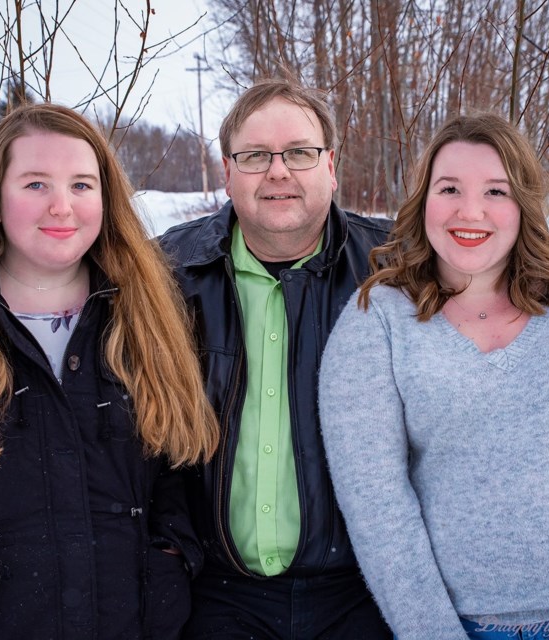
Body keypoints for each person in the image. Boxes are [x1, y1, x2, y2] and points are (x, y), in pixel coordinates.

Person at [317, 113, 549, 639]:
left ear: (523, 205)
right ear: (424, 199)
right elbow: (378, 507)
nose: (471, 211)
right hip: (464, 626)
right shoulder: (377, 321)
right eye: (450, 188)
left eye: (496, 190)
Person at [0, 102, 220, 639]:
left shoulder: (147, 312)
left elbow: (179, 459)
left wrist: (170, 555)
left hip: (136, 622)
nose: (62, 207)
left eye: (82, 185)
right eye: (35, 184)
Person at [158, 77, 394, 639]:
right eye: (256, 155)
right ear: (227, 171)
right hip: (216, 594)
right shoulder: (166, 274)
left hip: (362, 593)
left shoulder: (395, 269)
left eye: (299, 153)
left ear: (330, 165)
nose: (278, 170)